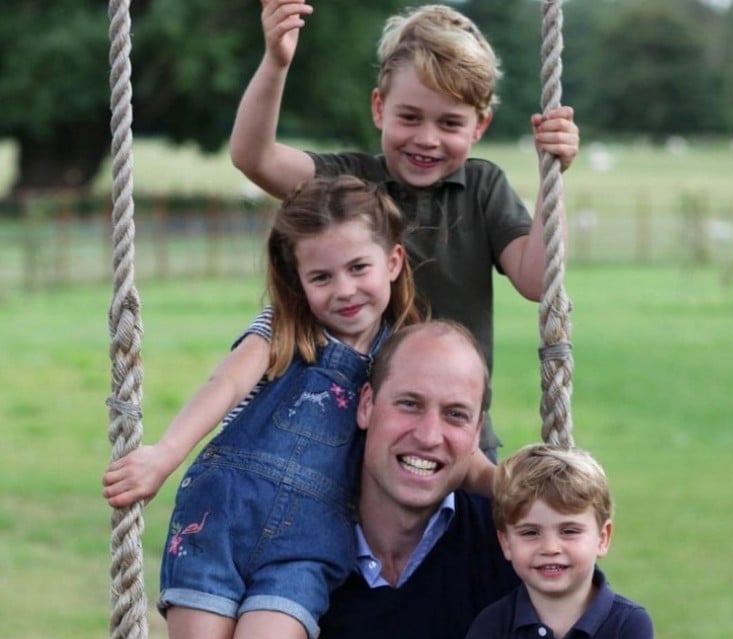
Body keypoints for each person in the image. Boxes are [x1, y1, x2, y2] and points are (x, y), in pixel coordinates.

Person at [155, 320, 700, 639]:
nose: (429, 435)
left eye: (455, 415)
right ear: (366, 405)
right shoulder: (281, 537)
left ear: (476, 431)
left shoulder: (509, 545)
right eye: (409, 405)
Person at [103, 175, 424, 639]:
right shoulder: (283, 328)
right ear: (298, 281)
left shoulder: (401, 358)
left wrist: (500, 482)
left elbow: (424, 437)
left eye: (358, 268)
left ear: (394, 261)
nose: (344, 290)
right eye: (321, 277)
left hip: (306, 552)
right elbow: (225, 384)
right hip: (217, 524)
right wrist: (164, 455)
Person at [228, 1, 581, 456]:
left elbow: (537, 280)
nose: (426, 139)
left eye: (449, 123)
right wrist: (277, 62)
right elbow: (254, 158)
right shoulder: (349, 186)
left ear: (479, 126)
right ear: (379, 108)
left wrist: (553, 175)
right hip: (350, 442)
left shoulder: (483, 188)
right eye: (410, 117)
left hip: (455, 438)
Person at [434, 444, 660, 639]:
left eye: (569, 531)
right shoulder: (494, 622)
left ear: (603, 537)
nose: (550, 547)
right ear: (505, 542)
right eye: (530, 532)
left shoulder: (628, 624)